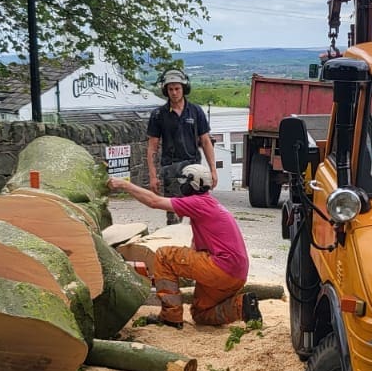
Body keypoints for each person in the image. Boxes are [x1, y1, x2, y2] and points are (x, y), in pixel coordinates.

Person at [108, 163, 259, 329]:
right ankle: (242, 306)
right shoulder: (209, 205)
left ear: (192, 183)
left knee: (164, 256)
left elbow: (154, 201)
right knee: (200, 314)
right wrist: (181, 270)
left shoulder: (198, 202)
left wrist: (124, 184)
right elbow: (195, 247)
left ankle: (170, 317)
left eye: (184, 182)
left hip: (221, 267)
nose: (181, 186)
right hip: (236, 274)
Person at [147, 69, 216, 225]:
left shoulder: (196, 111)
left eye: (177, 88)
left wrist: (212, 170)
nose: (174, 92)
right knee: (174, 218)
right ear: (166, 91)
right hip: (171, 170)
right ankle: (176, 247)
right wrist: (153, 175)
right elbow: (152, 147)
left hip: (195, 169)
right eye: (170, 89)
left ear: (184, 88)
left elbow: (205, 141)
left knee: (199, 215)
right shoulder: (158, 115)